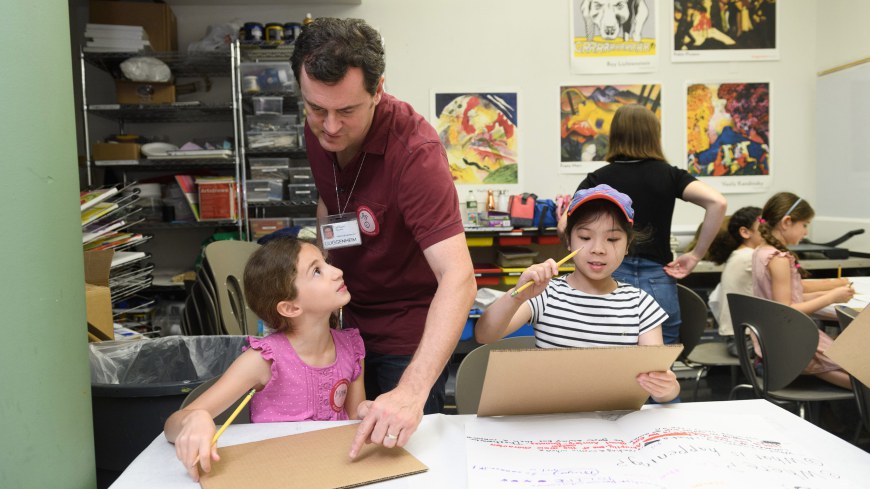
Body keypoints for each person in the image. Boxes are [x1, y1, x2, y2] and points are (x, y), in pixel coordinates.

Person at [290, 17, 477, 457]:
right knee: (337, 457)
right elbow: (330, 203)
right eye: (317, 109)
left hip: (405, 339)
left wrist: (412, 390)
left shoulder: (415, 154)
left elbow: (459, 278)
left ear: (378, 90)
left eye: (347, 111)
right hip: (344, 328)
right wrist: (320, 290)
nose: (330, 127)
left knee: (397, 460)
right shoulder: (319, 126)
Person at [163, 237, 365, 481]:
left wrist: (370, 411)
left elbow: (353, 422)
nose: (338, 271)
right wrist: (195, 418)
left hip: (333, 472)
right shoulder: (264, 359)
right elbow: (171, 426)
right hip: (276, 476)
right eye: (317, 271)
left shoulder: (351, 347)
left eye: (326, 262)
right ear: (290, 308)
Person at [477, 185, 680, 403]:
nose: (598, 249)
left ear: (627, 245)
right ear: (568, 241)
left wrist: (668, 389)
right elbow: (484, 334)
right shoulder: (546, 293)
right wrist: (518, 294)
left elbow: (659, 378)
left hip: (615, 423)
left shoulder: (641, 305)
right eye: (585, 237)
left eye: (612, 239)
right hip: (553, 421)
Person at [559, 104, 727, 345]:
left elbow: (565, 226)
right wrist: (696, 254)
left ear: (615, 135)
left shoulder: (599, 178)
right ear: (654, 135)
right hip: (659, 279)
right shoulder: (670, 175)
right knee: (658, 371)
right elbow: (717, 202)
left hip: (613, 275)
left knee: (612, 361)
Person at [752, 192, 854, 389]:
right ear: (787, 222)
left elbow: (784, 298)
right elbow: (786, 309)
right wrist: (831, 297)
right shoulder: (779, 259)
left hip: (775, 343)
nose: (805, 232)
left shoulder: (761, 252)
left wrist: (823, 295)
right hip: (793, 343)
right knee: (862, 374)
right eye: (805, 225)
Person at [705, 206, 763, 356]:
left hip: (738, 337)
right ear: (745, 232)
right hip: (744, 341)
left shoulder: (740, 254)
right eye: (764, 227)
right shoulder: (750, 257)